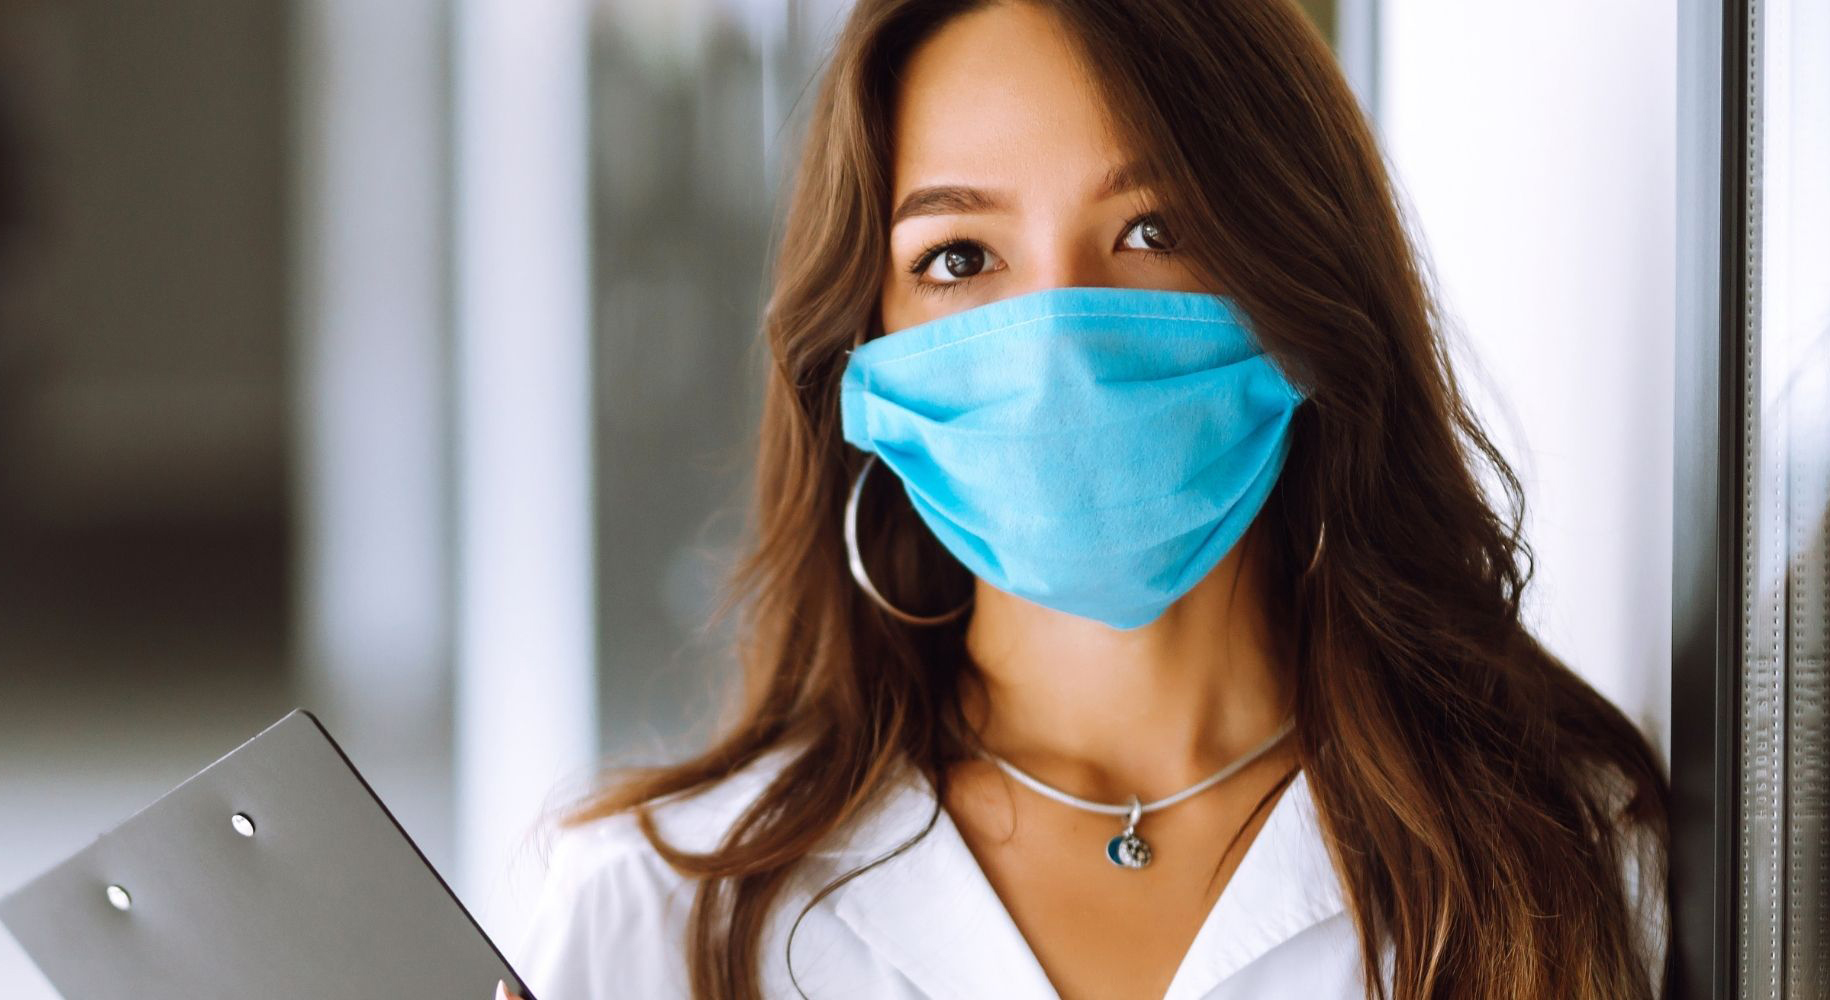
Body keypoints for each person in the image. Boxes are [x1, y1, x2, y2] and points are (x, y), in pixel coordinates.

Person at [493, 2, 1667, 997]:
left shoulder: (1562, 860)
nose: (1059, 342)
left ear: (1303, 283)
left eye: (1154, 231)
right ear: (866, 347)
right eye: (959, 257)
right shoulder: (651, 919)